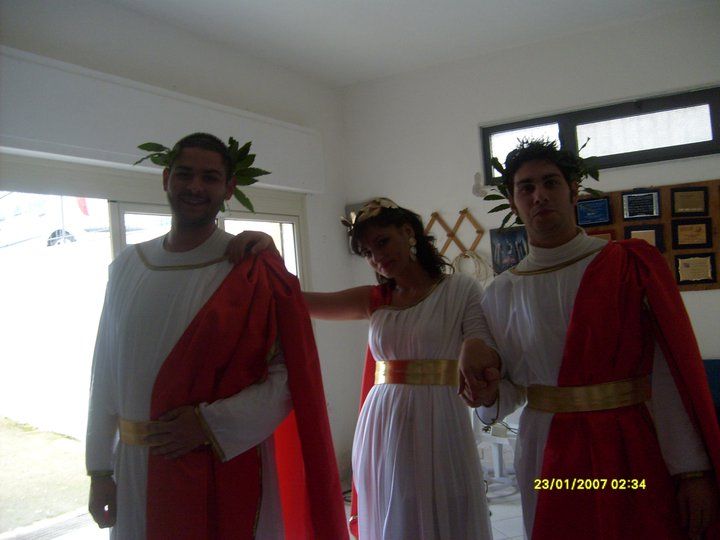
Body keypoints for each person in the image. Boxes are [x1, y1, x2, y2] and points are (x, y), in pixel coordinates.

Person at [85, 132, 348, 539]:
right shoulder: (126, 267)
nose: (195, 186)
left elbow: (287, 377)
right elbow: (104, 371)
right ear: (166, 178)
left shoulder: (248, 269)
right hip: (135, 468)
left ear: (228, 188)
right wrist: (100, 470)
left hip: (219, 460)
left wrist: (209, 424)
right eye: (184, 174)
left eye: (209, 177)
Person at [461, 139, 720, 539]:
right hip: (546, 449)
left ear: (573, 190)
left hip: (627, 441)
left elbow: (667, 374)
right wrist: (486, 393)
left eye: (550, 182)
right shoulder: (501, 292)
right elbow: (509, 393)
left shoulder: (626, 265)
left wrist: (692, 471)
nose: (539, 195)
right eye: (526, 187)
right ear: (513, 201)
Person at [229, 198, 495, 540]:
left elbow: (479, 337)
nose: (377, 257)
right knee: (395, 505)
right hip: (383, 419)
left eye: (382, 242)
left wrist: (476, 354)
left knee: (446, 500)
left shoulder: (459, 289)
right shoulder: (375, 299)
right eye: (367, 252)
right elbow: (294, 301)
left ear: (408, 232)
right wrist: (271, 254)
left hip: (441, 415)